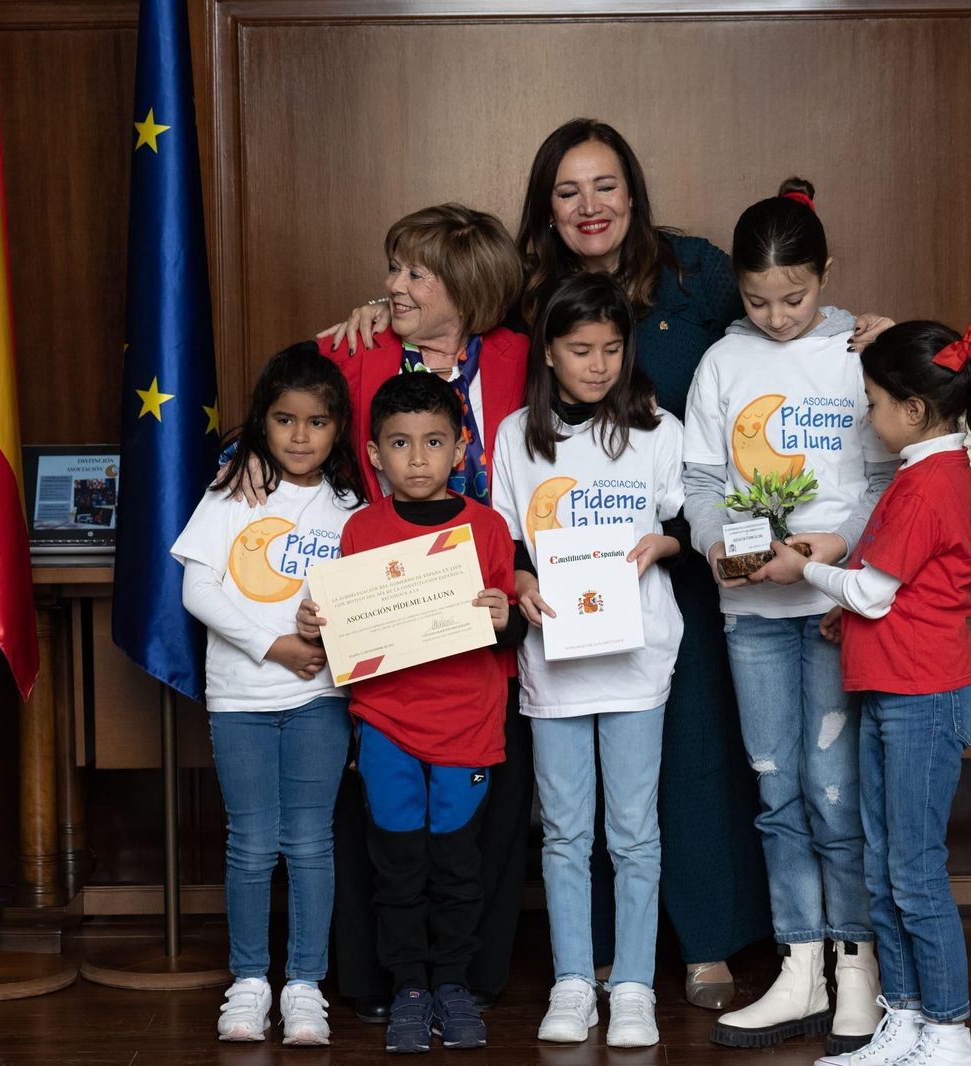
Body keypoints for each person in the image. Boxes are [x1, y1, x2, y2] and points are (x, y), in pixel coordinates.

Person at [324, 120, 894, 1007]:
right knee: (573, 784)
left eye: (606, 186)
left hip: (689, 571)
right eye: (567, 191)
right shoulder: (522, 290)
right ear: (545, 210)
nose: (590, 206)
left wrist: (864, 331)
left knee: (697, 755)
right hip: (551, 589)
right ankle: (585, 958)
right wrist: (378, 311)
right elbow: (450, 317)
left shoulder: (693, 271)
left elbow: (785, 301)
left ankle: (706, 940)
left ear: (633, 192)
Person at [233, 203, 532, 1018]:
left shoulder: (517, 355)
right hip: (382, 626)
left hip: (487, 618)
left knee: (469, 828)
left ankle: (466, 980)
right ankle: (384, 981)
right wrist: (251, 461)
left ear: (464, 289)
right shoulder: (355, 347)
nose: (391, 286)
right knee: (387, 822)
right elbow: (282, 406)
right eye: (392, 270)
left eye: (411, 274)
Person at [768, 318, 971, 1066]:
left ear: (912, 409)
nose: (864, 415)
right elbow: (897, 592)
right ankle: (903, 1020)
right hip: (897, 689)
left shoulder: (927, 481)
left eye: (872, 401)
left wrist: (805, 574)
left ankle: (948, 1032)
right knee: (885, 867)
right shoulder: (922, 471)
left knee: (912, 871)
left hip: (924, 698)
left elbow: (877, 592)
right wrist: (847, 615)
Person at [683, 179, 898, 1051]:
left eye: (796, 297)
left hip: (832, 604)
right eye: (757, 298)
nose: (776, 316)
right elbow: (699, 480)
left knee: (834, 790)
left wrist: (829, 547)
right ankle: (798, 963)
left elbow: (888, 476)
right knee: (775, 790)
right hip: (750, 606)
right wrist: (716, 546)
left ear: (827, 275)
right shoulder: (722, 363)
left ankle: (858, 969)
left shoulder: (859, 352)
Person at [297, 371, 527, 1054]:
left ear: (461, 449)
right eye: (400, 443)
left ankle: (453, 984)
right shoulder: (360, 531)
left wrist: (503, 616)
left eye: (433, 442)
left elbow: (511, 630)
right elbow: (348, 638)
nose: (418, 458)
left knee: (458, 867)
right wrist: (318, 621)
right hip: (387, 727)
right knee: (396, 867)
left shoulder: (487, 528)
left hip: (468, 728)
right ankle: (408, 989)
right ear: (373, 454)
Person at [490, 274, 686, 1048]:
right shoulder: (516, 435)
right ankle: (575, 979)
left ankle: (631, 982)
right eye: (580, 350)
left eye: (611, 348)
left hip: (638, 654)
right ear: (548, 352)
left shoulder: (655, 428)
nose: (598, 364)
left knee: (634, 831)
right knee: (566, 832)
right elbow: (502, 537)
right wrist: (522, 576)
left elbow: (684, 522)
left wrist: (663, 544)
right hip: (556, 657)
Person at [169, 344, 367, 1046]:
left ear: (339, 427)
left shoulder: (351, 506)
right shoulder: (232, 492)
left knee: (311, 841)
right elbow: (198, 589)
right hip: (241, 699)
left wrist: (326, 625)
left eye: (317, 422)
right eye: (285, 420)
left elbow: (364, 597)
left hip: (321, 699)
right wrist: (274, 643)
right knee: (252, 844)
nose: (300, 436)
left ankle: (305, 984)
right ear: (263, 423)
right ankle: (249, 981)